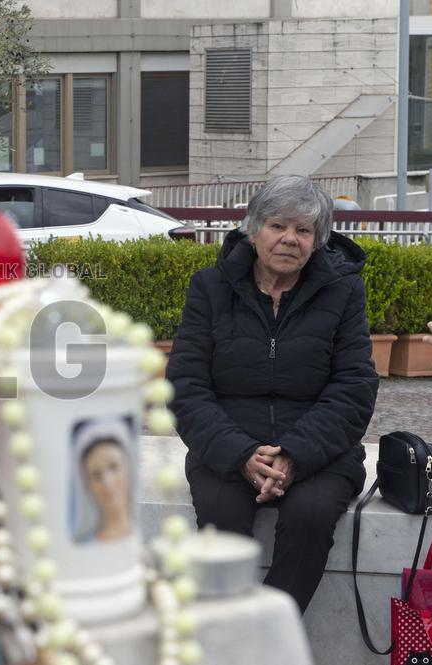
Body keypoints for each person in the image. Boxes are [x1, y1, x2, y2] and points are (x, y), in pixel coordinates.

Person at [167, 175, 378, 613]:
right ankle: (228, 635)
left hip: (319, 449)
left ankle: (269, 639)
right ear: (254, 228)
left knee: (311, 515)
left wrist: (294, 454)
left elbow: (354, 385)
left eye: (304, 231)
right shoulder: (210, 287)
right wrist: (242, 454)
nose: (289, 239)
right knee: (221, 521)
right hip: (227, 444)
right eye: (278, 225)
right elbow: (186, 385)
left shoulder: (342, 291)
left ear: (317, 241)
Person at [70, 420, 133, 544]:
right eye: (96, 475)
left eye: (114, 467)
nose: (107, 484)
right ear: (87, 484)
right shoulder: (82, 545)